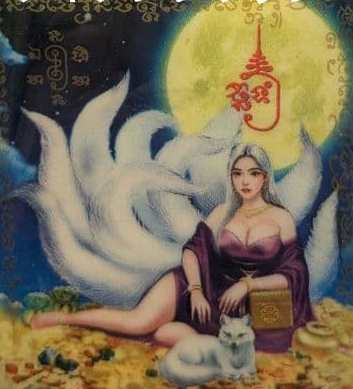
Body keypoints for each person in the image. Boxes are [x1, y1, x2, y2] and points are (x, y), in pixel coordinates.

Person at [32, 143, 312, 353]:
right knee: (137, 322)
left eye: (253, 173)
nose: (245, 181)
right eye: (237, 173)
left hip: (247, 305)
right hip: (204, 287)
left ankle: (178, 334)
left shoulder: (281, 218)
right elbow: (192, 251)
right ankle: (65, 319)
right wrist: (196, 290)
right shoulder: (221, 213)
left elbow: (293, 274)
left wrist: (247, 286)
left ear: (265, 177)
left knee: (168, 335)